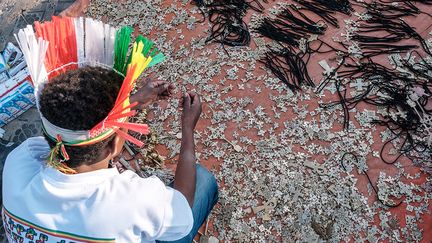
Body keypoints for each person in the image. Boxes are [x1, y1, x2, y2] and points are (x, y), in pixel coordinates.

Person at [1, 66, 218, 242]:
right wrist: (187, 129)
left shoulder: (21, 160)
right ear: (114, 145)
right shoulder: (132, 201)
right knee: (203, 180)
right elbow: (181, 206)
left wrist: (132, 103)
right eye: (124, 125)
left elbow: (71, 134)